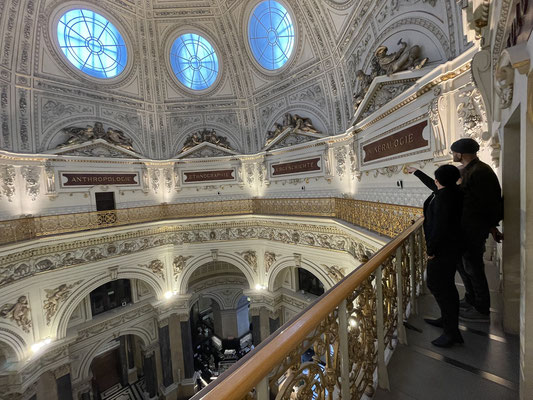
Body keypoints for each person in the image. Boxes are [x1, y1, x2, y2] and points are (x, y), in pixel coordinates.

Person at [407, 164, 464, 347]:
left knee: (438, 285)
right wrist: (416, 172)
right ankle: (447, 322)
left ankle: (451, 333)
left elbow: (439, 228)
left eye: (436, 179)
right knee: (446, 287)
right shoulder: (451, 191)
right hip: (450, 248)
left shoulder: (444, 199)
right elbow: (433, 185)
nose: (435, 182)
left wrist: (430, 251)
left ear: (440, 180)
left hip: (443, 250)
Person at [450, 138, 503, 322]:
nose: (453, 155)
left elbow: (488, 202)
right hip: (468, 228)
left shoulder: (480, 171)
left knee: (474, 268)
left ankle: (481, 309)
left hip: (474, 229)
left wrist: (491, 226)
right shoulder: (471, 170)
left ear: (460, 153)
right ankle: (471, 300)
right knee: (465, 266)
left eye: (454, 152)